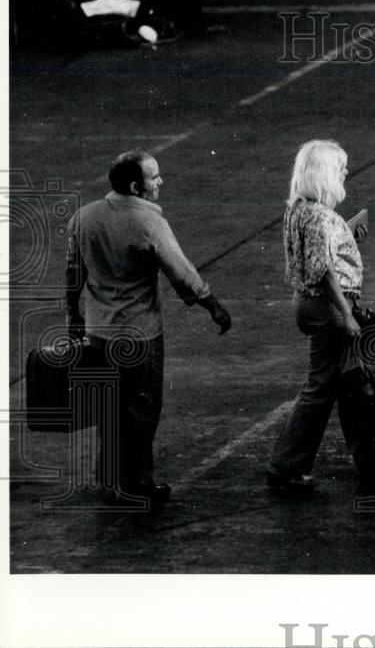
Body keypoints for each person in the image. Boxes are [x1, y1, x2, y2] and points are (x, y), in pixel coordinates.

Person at [65, 150, 231, 504]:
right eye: (154, 177)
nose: (160, 182)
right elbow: (181, 272)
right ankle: (136, 481)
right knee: (141, 407)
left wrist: (72, 314)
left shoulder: (83, 217)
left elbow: (72, 273)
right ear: (136, 186)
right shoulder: (150, 222)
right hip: (140, 333)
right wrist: (212, 304)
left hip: (99, 331)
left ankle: (108, 475)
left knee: (109, 406)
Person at [267, 140, 375, 497]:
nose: (345, 173)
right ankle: (288, 464)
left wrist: (348, 235)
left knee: (331, 383)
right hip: (329, 307)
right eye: (339, 168)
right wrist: (347, 314)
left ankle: (303, 462)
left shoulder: (299, 209)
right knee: (326, 386)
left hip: (308, 303)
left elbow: (313, 256)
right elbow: (323, 271)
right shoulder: (320, 215)